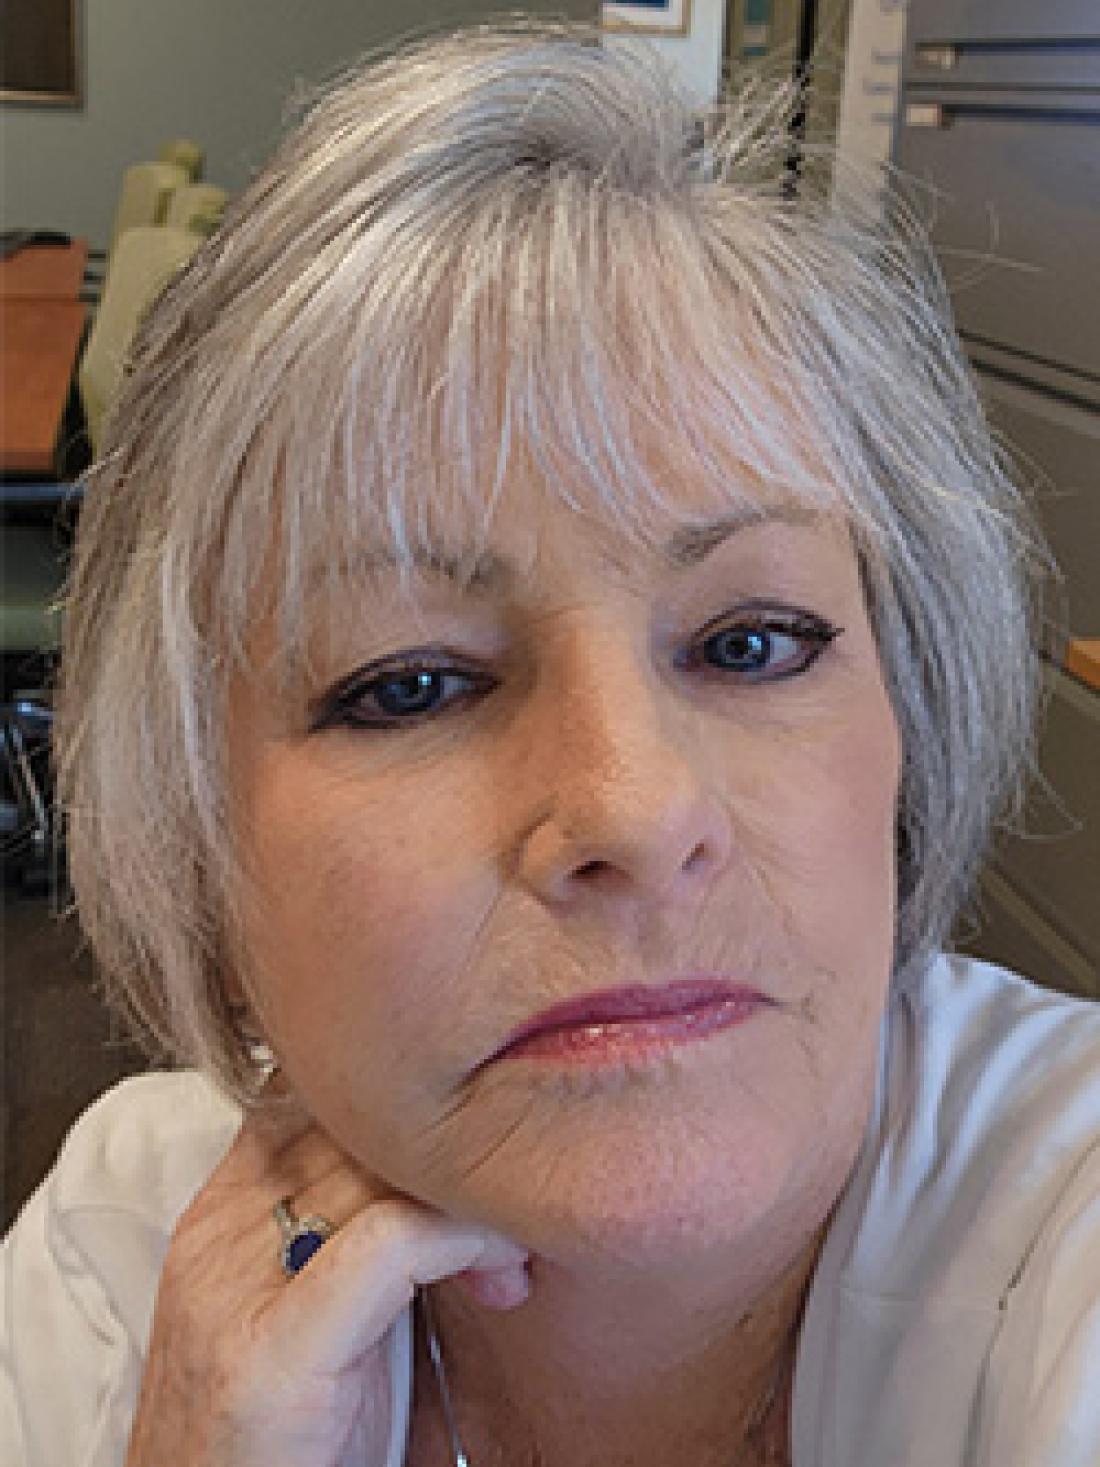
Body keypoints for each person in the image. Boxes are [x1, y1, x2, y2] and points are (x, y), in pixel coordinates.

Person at [2, 19, 1098, 1467]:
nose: (635, 809)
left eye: (752, 643)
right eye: (411, 685)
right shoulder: (117, 1260)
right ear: (196, 841)